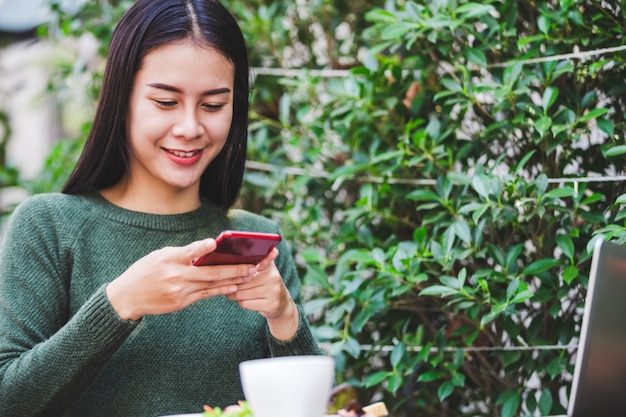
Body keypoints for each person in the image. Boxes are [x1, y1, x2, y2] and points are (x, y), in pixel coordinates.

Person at [0, 0, 323, 416]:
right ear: (121, 100)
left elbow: (307, 409)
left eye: (212, 105)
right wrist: (119, 303)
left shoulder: (254, 242)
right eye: (166, 102)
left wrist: (284, 318)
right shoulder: (50, 226)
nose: (189, 128)